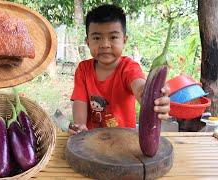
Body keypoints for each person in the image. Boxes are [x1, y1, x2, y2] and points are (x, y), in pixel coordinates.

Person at [69, 4, 170, 135]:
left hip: (124, 142)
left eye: (113, 37)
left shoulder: (129, 67)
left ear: (124, 40)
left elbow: (140, 88)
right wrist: (80, 125)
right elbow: (79, 102)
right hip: (92, 143)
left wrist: (153, 95)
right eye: (97, 38)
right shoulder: (83, 69)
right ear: (88, 42)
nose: (105, 45)